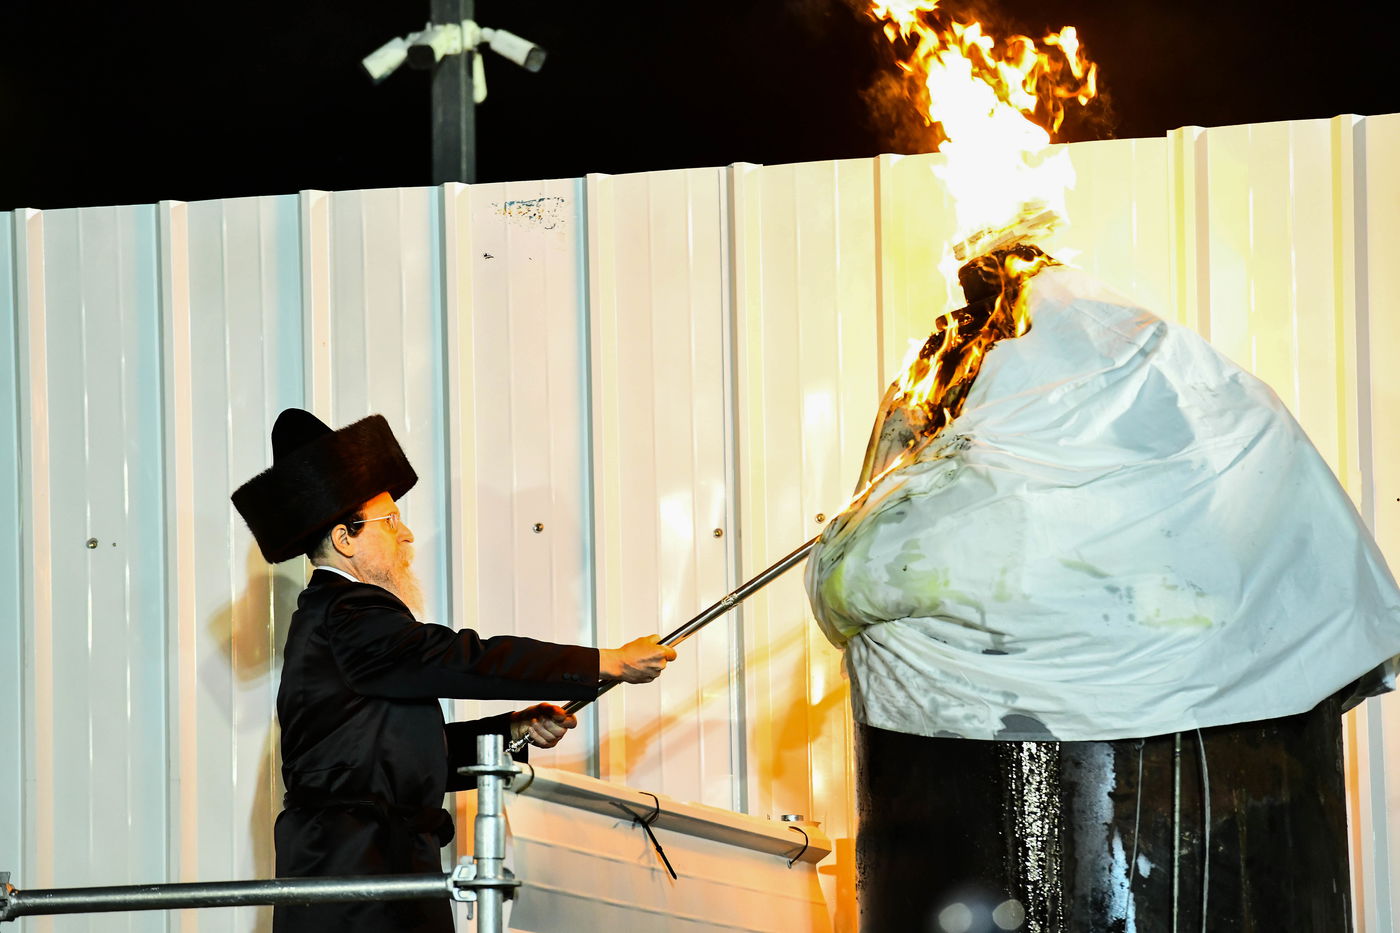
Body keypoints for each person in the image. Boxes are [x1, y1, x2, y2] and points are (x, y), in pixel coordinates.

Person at [231, 408, 675, 933]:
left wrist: (509, 731)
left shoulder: (341, 621)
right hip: (356, 877)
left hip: (379, 865)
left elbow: (389, 761)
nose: (408, 535)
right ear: (346, 538)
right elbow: (464, 657)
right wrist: (605, 663)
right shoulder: (348, 613)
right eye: (390, 522)